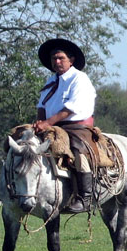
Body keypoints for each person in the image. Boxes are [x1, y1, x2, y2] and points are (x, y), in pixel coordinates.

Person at [33, 38, 97, 213]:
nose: (57, 61)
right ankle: (18, 189)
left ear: (71, 60)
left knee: (78, 150)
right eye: (54, 58)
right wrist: (39, 125)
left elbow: (70, 109)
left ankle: (85, 197)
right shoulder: (51, 80)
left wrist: (47, 123)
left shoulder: (79, 79)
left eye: (61, 58)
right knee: (23, 144)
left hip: (76, 127)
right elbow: (41, 106)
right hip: (51, 127)